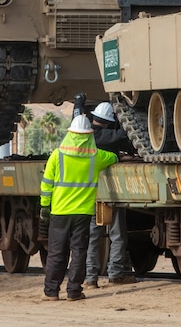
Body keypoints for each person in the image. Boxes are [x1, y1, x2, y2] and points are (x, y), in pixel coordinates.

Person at [40, 113, 117, 301]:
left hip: (59, 212)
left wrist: (44, 207)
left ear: (70, 133)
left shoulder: (57, 155)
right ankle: (74, 292)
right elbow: (114, 157)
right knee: (79, 253)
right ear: (89, 135)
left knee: (56, 253)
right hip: (83, 213)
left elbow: (46, 184)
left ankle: (51, 292)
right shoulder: (97, 157)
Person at [85, 100, 137, 288]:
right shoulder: (104, 136)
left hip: (91, 195)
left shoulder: (85, 137)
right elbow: (120, 135)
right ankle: (115, 274)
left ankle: (90, 278)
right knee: (118, 234)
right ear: (108, 121)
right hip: (110, 194)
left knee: (93, 238)